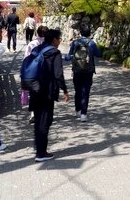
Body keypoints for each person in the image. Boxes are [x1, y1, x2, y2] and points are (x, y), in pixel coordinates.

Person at [30, 28, 69, 162]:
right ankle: (41, 153)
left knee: (38, 120)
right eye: (59, 39)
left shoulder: (36, 49)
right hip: (47, 91)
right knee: (45, 120)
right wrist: (65, 90)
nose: (60, 41)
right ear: (54, 40)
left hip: (34, 89)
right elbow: (58, 74)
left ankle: (39, 149)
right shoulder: (54, 53)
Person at [67, 24, 101, 122]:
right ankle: (83, 114)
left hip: (77, 70)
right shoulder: (91, 43)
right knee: (85, 91)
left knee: (77, 90)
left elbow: (69, 55)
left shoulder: (75, 43)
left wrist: (66, 58)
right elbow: (99, 54)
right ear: (89, 32)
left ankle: (78, 110)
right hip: (88, 70)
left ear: (80, 32)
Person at [23, 24, 48, 124]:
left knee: (33, 93)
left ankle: (33, 114)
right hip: (46, 72)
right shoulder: (49, 44)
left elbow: (26, 58)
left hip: (34, 72)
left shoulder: (32, 44)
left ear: (37, 33)